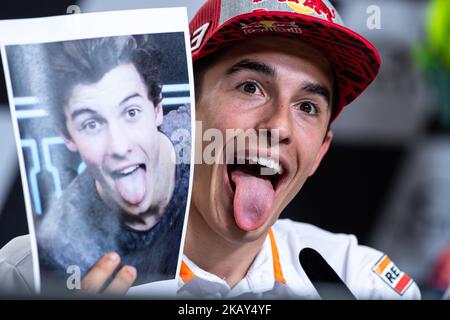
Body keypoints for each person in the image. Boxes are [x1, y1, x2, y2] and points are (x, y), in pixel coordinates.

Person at [1, 0, 420, 299]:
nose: (278, 126)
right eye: (251, 87)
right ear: (185, 115)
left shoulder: (358, 282)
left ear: (321, 152)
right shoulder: (31, 275)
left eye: (307, 106)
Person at [1, 35, 190, 295]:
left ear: (157, 108)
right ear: (67, 138)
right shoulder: (60, 251)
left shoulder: (211, 161)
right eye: (92, 124)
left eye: (131, 112)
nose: (119, 146)